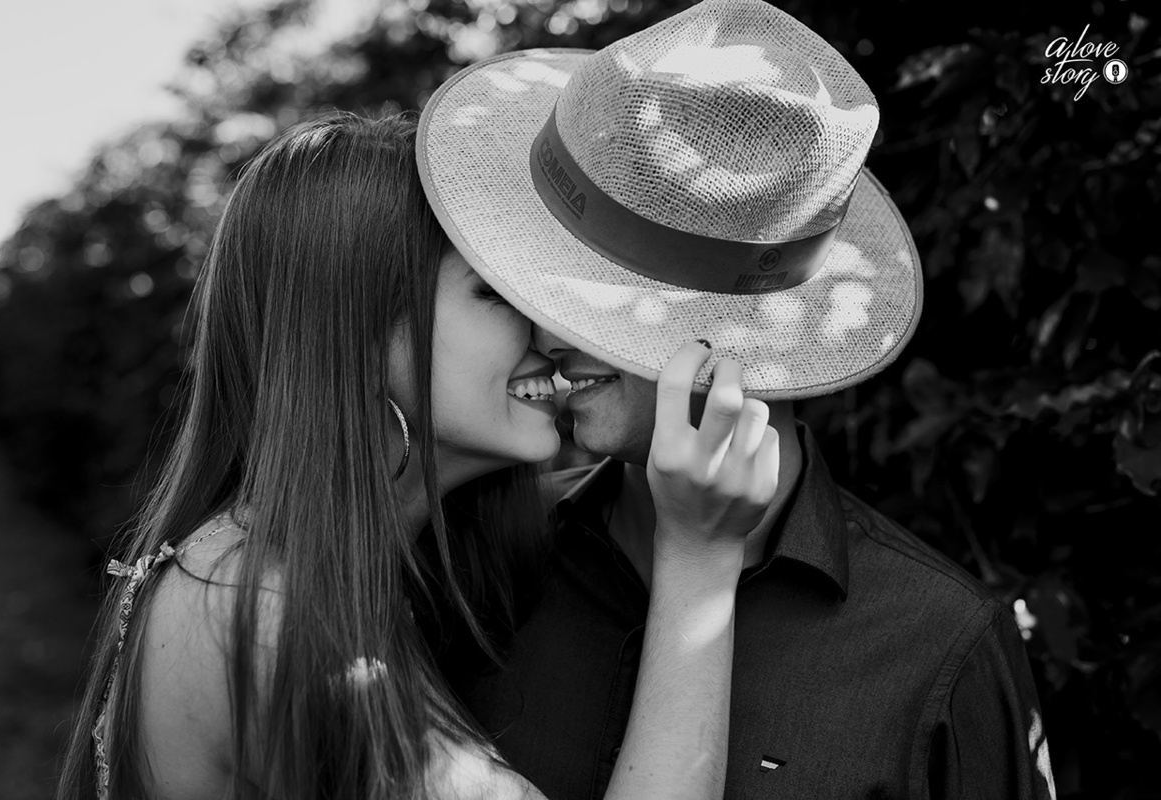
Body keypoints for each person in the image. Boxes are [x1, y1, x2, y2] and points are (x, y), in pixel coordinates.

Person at [415, 0, 1057, 797]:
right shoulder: (483, 563)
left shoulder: (939, 643)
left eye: (602, 300)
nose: (545, 334)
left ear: (750, 328)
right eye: (545, 285)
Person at [56, 113, 780, 800]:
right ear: (365, 332)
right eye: (497, 292)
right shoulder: (275, 622)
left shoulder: (265, 564)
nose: (551, 330)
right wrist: (700, 557)